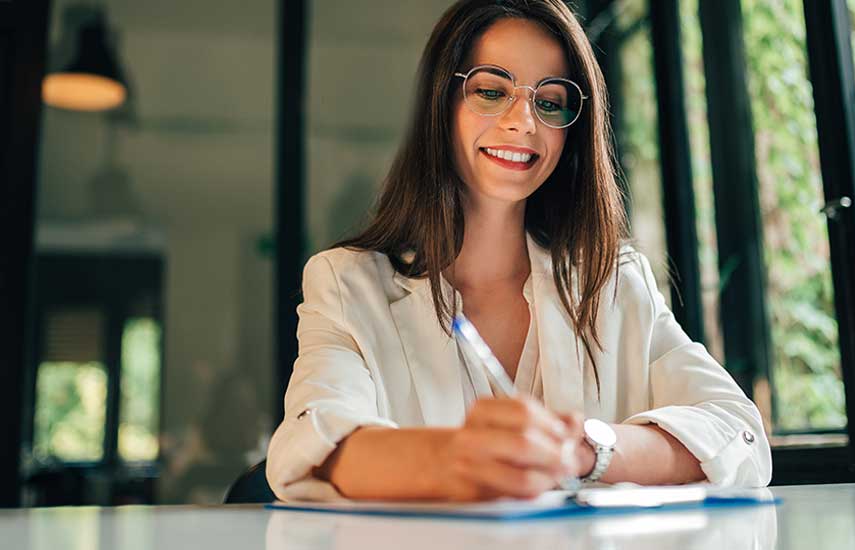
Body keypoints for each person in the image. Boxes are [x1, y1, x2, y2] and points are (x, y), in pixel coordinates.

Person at [266, 0, 772, 502]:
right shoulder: (346, 284)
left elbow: (739, 432)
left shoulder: (614, 278)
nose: (524, 121)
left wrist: (581, 449)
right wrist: (464, 457)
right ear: (440, 105)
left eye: (550, 102)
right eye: (491, 91)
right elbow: (315, 443)